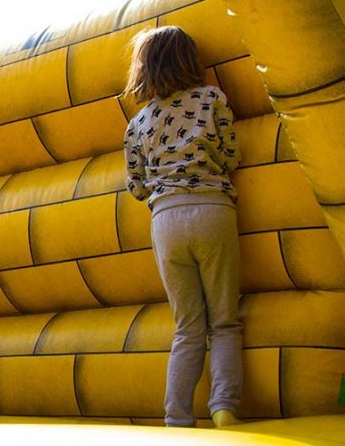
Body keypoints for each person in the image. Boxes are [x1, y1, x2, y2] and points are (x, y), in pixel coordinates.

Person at [123, 26, 243, 428]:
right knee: (224, 320)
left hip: (166, 220)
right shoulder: (212, 99)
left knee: (187, 327)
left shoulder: (138, 123)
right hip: (212, 208)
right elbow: (230, 155)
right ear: (191, 61)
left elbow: (136, 186)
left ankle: (177, 418)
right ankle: (224, 406)